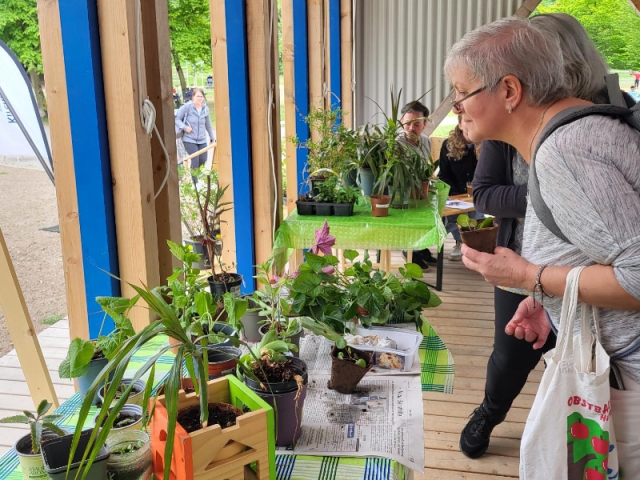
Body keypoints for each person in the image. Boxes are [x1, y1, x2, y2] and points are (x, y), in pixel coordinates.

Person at [444, 16, 640, 472]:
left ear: (510, 91)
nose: (456, 107)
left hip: (626, 378)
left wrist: (530, 277)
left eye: (461, 91)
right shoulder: (579, 131)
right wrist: (551, 299)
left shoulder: (564, 153)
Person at [397, 100, 439, 268]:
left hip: (420, 190)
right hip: (400, 191)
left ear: (424, 124)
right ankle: (408, 249)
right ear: (401, 121)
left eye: (416, 124)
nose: (410, 128)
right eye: (407, 123)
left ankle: (420, 246)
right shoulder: (396, 143)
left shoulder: (426, 141)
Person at [437, 117, 483, 261]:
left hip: (478, 194)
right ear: (460, 125)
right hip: (455, 194)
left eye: (474, 120)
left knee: (474, 214)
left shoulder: (486, 144)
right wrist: (456, 195)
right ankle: (460, 242)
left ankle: (468, 244)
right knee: (456, 218)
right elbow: (443, 175)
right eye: (467, 120)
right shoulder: (448, 145)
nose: (472, 124)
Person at [175, 87, 215, 182]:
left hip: (202, 139)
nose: (200, 98)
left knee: (203, 159)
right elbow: (177, 119)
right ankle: (195, 182)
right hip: (189, 139)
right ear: (193, 96)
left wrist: (212, 137)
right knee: (195, 159)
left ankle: (195, 175)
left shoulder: (205, 109)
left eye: (201, 96)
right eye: (198, 96)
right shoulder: (186, 107)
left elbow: (208, 124)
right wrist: (185, 127)